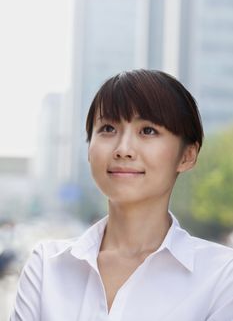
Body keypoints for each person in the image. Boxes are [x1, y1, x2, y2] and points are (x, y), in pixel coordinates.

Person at [10, 70, 233, 321]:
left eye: (147, 131)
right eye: (107, 128)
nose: (123, 149)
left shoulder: (222, 275)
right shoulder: (47, 266)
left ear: (187, 155)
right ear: (89, 148)